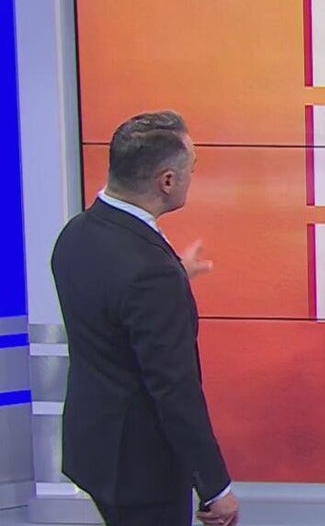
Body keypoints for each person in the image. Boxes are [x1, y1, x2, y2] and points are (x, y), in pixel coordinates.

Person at [50, 111, 241, 526]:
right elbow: (174, 390)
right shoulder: (150, 274)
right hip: (142, 470)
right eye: (192, 167)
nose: (192, 176)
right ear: (166, 181)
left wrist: (175, 275)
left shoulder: (76, 234)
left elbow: (111, 306)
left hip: (96, 449)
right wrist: (215, 486)